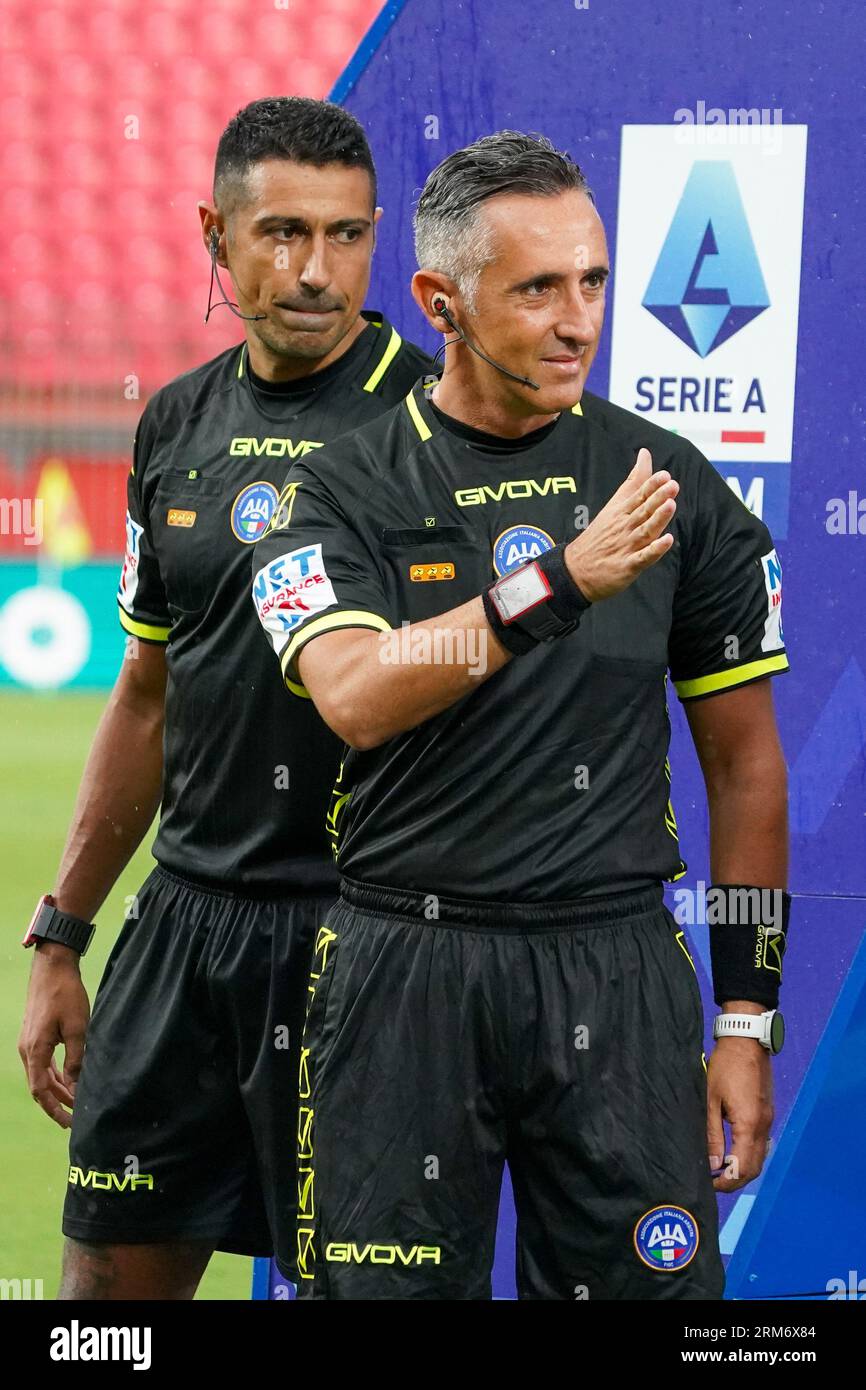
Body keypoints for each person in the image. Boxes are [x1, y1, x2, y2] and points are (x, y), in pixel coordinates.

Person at [252, 131, 790, 1300]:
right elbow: (352, 692)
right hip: (404, 970)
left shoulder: (667, 482)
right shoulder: (332, 491)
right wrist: (554, 582)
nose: (577, 318)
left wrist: (743, 1018)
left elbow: (745, 767)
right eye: (537, 286)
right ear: (440, 300)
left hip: (616, 970)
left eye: (592, 280)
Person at [18, 95, 431, 1300]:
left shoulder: (441, 419)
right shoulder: (177, 423)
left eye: (347, 237)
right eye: (283, 233)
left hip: (375, 938)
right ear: (216, 232)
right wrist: (62, 931)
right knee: (103, 1308)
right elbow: (145, 695)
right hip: (188, 931)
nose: (316, 272)